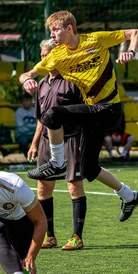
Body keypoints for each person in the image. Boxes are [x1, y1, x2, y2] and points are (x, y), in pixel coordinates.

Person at [19, 10, 138, 222]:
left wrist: (131, 52)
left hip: (109, 109)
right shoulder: (57, 56)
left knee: (52, 116)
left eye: (55, 30)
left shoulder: (96, 39)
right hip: (91, 114)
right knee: (89, 169)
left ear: (69, 29)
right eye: (50, 31)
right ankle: (130, 196)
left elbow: (136, 32)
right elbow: (28, 73)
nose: (52, 35)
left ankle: (57, 162)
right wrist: (26, 81)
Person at [28, 39, 86, 251]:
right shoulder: (42, 83)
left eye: (48, 55)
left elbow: (86, 111)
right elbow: (40, 118)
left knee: (73, 185)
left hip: (71, 138)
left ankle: (77, 237)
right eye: (42, 56)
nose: (45, 59)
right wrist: (34, 143)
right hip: (46, 141)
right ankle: (49, 236)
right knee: (43, 187)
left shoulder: (74, 80)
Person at [15, 94, 37, 158]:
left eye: (27, 100)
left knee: (43, 140)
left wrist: (26, 125)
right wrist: (33, 127)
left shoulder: (35, 110)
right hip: (22, 134)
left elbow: (38, 124)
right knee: (23, 142)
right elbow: (20, 127)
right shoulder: (18, 112)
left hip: (34, 133)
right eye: (23, 101)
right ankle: (29, 158)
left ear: (30, 101)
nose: (25, 102)